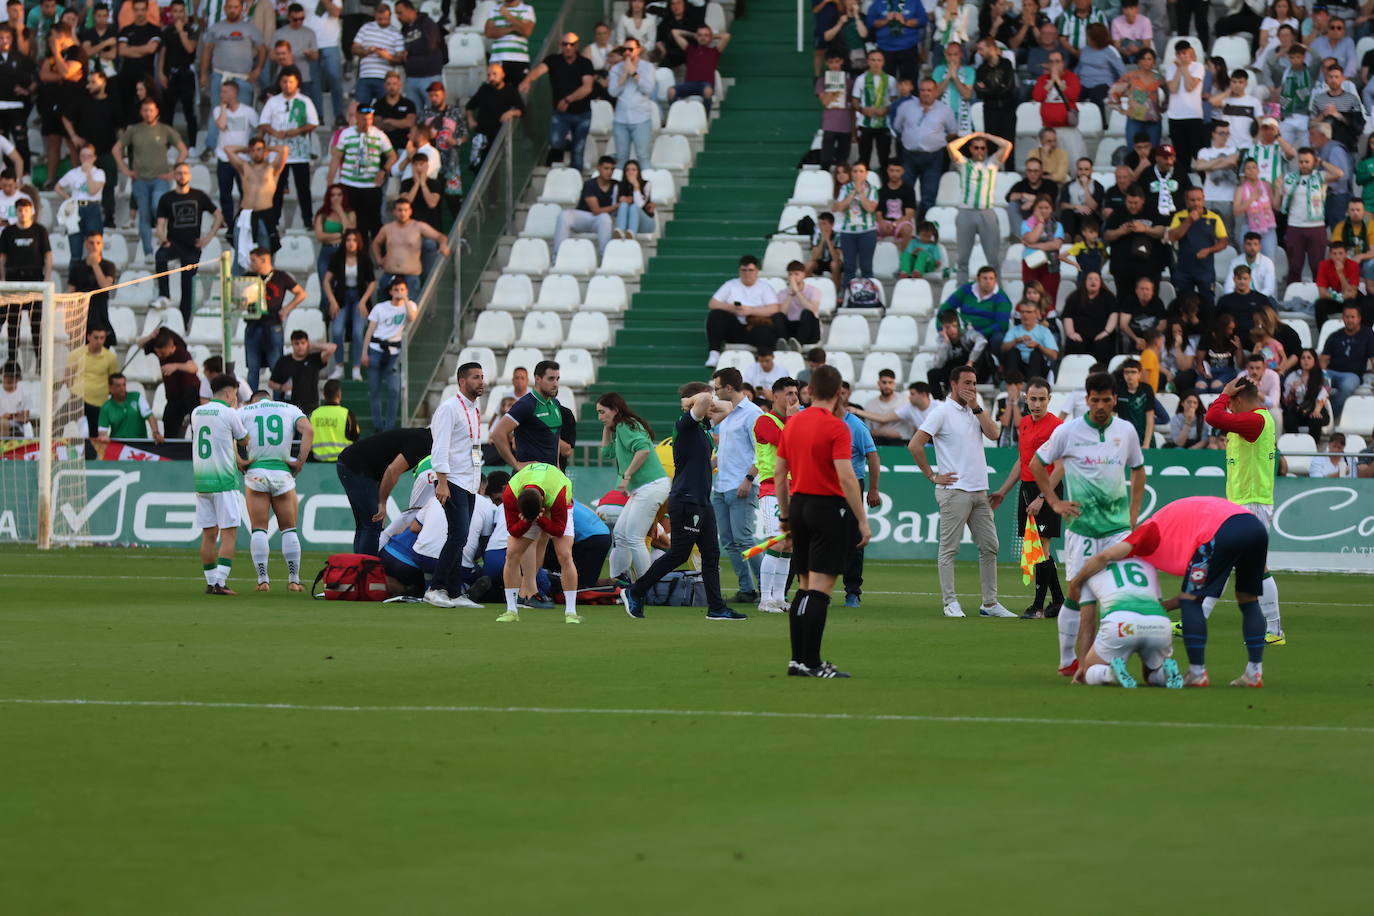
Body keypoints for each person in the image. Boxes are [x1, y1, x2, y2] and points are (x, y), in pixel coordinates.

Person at [1071, 495, 1273, 687]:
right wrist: (1161, 607)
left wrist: (1077, 581)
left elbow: (1105, 556)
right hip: (1253, 527)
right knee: (1248, 599)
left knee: (1191, 602)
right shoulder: (1167, 522)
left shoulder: (1145, 533)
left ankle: (1197, 673)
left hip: (1220, 531)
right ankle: (1254, 673)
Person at [1029, 371, 1146, 676]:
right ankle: (1069, 660)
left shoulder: (1127, 431)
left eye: (1106, 400)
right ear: (1087, 400)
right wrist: (1054, 502)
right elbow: (1036, 465)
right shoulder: (1068, 432)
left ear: (1114, 400)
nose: (1100, 406)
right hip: (1081, 531)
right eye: (1095, 400)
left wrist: (1133, 515)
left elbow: (1138, 469)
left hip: (1117, 530)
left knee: (1117, 599)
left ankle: (1098, 665)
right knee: (1078, 594)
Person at [763, 365, 869, 677]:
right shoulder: (837, 427)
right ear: (839, 393)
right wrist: (862, 521)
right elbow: (847, 477)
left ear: (809, 391)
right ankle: (811, 662)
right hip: (826, 509)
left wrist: (785, 514)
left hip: (799, 505)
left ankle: (798, 660)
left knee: (804, 586)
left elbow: (779, 474)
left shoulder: (793, 424)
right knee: (820, 590)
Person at [621, 381, 740, 620]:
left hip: (701, 500)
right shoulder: (686, 424)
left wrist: (703, 400)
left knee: (711, 554)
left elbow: (728, 406)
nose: (713, 402)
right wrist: (693, 402)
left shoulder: (703, 426)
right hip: (686, 499)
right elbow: (707, 402)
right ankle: (635, 590)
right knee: (679, 553)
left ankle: (716, 608)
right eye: (709, 397)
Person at [910, 364, 1013, 618]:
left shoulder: (975, 411)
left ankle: (990, 603)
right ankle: (950, 602)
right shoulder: (942, 412)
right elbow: (915, 444)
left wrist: (977, 408)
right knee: (949, 549)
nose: (972, 388)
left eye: (975, 383)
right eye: (967, 383)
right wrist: (932, 476)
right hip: (954, 490)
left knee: (990, 546)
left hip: (979, 490)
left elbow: (994, 433)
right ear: (954, 384)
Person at [990, 376, 1064, 617]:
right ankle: (1059, 601)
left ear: (1049, 400)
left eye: (1042, 399)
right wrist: (1004, 490)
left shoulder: (1057, 427)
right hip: (1027, 489)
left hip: (1047, 489)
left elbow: (1060, 466)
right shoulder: (1023, 424)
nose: (1037, 404)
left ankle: (1038, 607)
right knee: (1038, 549)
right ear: (1026, 398)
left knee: (1040, 547)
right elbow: (1021, 462)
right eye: (1033, 399)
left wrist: (1043, 496)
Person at [1064, 552, 1182, 687]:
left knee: (1091, 669)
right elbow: (1158, 604)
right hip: (1159, 623)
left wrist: (1083, 666)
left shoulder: (1090, 568)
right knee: (1150, 673)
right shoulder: (1146, 563)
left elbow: (1087, 621)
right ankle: (1164, 673)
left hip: (1121, 624)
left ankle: (1109, 673)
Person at [424, 361, 486, 609]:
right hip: (452, 480)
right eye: (475, 377)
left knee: (460, 536)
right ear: (462, 382)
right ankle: (435, 587)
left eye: (482, 376)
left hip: (469, 481)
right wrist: (442, 482)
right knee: (458, 535)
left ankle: (453, 590)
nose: (481, 381)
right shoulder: (449, 408)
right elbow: (439, 447)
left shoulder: (474, 408)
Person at [238, 390, 312, 592]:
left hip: (256, 473)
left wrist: (239, 460)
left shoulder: (244, 411)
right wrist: (300, 462)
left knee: (259, 528)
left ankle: (263, 580)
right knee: (289, 528)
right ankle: (294, 580)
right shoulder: (290, 409)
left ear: (254, 400)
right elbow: (309, 430)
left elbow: (227, 433)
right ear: (270, 398)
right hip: (282, 473)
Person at [493, 462, 581, 623]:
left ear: (542, 501)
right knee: (511, 554)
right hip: (531, 508)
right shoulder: (511, 494)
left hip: (556, 505)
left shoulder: (558, 495)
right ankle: (511, 610)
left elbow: (558, 530)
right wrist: (528, 521)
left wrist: (540, 519)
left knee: (565, 555)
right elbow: (513, 530)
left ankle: (571, 612)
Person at [596, 392, 669, 584]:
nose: (600, 417)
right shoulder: (621, 427)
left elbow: (643, 449)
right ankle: (619, 582)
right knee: (620, 535)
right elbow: (606, 453)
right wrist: (606, 428)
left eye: (603, 412)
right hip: (644, 489)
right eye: (598, 413)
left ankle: (645, 588)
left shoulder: (624, 425)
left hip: (651, 487)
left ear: (615, 410)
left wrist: (627, 475)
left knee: (634, 538)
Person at [708, 366, 765, 603]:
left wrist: (749, 479)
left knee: (744, 539)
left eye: (717, 388)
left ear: (729, 388)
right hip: (721, 485)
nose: (714, 392)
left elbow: (762, 452)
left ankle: (769, 586)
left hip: (741, 484)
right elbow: (728, 449)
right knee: (729, 541)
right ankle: (747, 589)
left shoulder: (753, 414)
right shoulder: (729, 413)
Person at [191, 375, 248, 595]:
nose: (235, 398)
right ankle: (221, 583)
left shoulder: (197, 412)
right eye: (234, 393)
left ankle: (210, 581)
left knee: (208, 534)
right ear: (228, 393)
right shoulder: (229, 413)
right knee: (229, 533)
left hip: (202, 481)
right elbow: (244, 440)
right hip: (224, 481)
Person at [336, 426, 433, 555]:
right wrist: (382, 502)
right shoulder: (424, 442)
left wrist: (381, 501)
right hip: (356, 467)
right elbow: (392, 471)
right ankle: (366, 571)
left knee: (366, 525)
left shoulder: (422, 436)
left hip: (354, 464)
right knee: (372, 525)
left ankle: (360, 569)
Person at [751, 376, 801, 613]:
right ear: (776, 395)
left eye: (795, 393)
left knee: (789, 544)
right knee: (778, 541)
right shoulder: (764, 421)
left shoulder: (794, 420)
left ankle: (779, 598)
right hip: (773, 487)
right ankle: (765, 599)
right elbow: (787, 445)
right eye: (789, 393)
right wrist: (794, 418)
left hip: (794, 488)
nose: (794, 398)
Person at [153, 162, 221, 323]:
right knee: (160, 257)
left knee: (187, 286)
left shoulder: (199, 196)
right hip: (174, 242)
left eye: (184, 173)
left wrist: (208, 238)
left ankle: (183, 322)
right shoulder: (166, 198)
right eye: (178, 173)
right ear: (174, 175)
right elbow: (160, 224)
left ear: (189, 175)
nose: (182, 176)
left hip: (192, 245)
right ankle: (164, 295)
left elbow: (218, 216)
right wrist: (163, 239)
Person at [520, 32, 595, 172]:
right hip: (561, 114)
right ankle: (572, 145)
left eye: (571, 44)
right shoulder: (553, 60)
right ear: (560, 45)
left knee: (578, 152)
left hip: (582, 113)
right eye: (565, 44)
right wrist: (527, 80)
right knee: (556, 142)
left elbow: (587, 87)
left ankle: (576, 182)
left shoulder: (585, 63)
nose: (568, 47)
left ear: (577, 45)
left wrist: (568, 99)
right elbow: (538, 71)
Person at [836, 381, 880, 608]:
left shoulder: (856, 426)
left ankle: (852, 591)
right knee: (817, 538)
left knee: (853, 540)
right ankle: (808, 588)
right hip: (824, 486)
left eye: (842, 393)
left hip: (851, 486)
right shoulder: (818, 420)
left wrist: (873, 489)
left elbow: (873, 456)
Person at [257, 65, 318, 231]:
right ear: (280, 83)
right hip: (277, 153)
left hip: (299, 152)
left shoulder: (305, 101)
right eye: (284, 81)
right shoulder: (273, 101)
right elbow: (263, 123)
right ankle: (274, 221)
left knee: (303, 188)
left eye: (291, 82)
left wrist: (297, 130)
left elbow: (313, 123)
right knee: (276, 189)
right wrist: (274, 132)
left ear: (297, 82)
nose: (287, 85)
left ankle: (307, 220)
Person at [947, 130, 1011, 285]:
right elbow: (951, 146)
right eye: (976, 147)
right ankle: (961, 296)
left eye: (983, 148)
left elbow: (1007, 145)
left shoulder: (993, 163)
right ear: (970, 149)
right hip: (966, 213)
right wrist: (971, 137)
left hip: (986, 213)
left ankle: (997, 294)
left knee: (993, 260)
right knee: (962, 260)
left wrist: (987, 136)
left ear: (986, 149)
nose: (979, 151)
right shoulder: (963, 164)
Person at [199, 0, 265, 145]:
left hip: (243, 78)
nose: (232, 10)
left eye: (236, 7)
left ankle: (241, 147)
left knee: (242, 114)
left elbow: (262, 49)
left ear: (241, 9)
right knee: (217, 111)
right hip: (219, 76)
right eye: (229, 7)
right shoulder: (216, 28)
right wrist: (204, 74)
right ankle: (211, 147)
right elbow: (207, 51)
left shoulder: (250, 28)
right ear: (225, 8)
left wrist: (258, 69)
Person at [328, 105, 397, 242]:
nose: (368, 123)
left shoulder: (379, 135)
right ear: (357, 118)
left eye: (370, 119)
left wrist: (383, 170)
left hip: (371, 186)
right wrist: (330, 183)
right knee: (354, 224)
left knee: (374, 223)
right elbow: (336, 158)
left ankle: (378, 255)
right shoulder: (346, 134)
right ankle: (359, 255)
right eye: (364, 119)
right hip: (349, 185)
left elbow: (392, 156)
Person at [703, 255, 785, 367]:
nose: (747, 273)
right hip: (735, 328)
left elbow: (774, 308)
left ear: (757, 271)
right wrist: (733, 308)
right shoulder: (731, 285)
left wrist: (750, 310)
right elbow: (712, 303)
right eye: (744, 270)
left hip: (756, 327)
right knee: (716, 314)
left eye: (750, 270)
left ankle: (764, 360)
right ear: (739, 271)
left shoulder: (765, 287)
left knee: (765, 329)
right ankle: (714, 353)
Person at [360, 277, 417, 432]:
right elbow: (370, 331)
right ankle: (378, 425)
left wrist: (404, 299)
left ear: (407, 291)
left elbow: (412, 318)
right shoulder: (380, 307)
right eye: (396, 289)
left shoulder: (410, 305)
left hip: (394, 353)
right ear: (391, 291)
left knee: (393, 390)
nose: (399, 292)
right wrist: (364, 353)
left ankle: (389, 427)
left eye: (402, 289)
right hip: (376, 349)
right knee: (374, 390)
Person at [1282, 145, 1345, 283]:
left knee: (1317, 266)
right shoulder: (1289, 178)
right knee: (1294, 266)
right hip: (1294, 226)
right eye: (1301, 161)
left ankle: (1320, 298)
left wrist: (1321, 162)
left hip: (1316, 226)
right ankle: (1292, 299)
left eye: (1307, 161)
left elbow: (1339, 173)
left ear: (1313, 162)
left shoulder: (1320, 176)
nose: (1303, 165)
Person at [371, 197, 450, 300]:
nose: (403, 213)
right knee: (385, 309)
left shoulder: (418, 227)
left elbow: (440, 237)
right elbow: (376, 243)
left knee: (410, 310)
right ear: (394, 212)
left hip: (410, 277)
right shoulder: (387, 228)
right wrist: (378, 259)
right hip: (389, 274)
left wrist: (443, 245)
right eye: (399, 210)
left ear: (410, 211)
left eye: (405, 210)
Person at [490, 359, 563, 470]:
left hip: (550, 475)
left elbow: (555, 437)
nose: (555, 384)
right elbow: (497, 434)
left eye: (557, 379)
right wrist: (515, 465)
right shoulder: (525, 404)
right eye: (551, 379)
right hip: (530, 476)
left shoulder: (555, 403)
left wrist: (557, 465)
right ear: (537, 379)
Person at [553, 154, 617, 256]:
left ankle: (605, 258)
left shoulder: (616, 184)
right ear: (598, 168)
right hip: (584, 217)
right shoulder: (590, 184)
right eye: (606, 168)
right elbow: (596, 210)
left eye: (612, 169)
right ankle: (557, 257)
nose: (609, 172)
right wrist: (617, 205)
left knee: (604, 218)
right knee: (564, 215)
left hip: (600, 221)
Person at [141, 327, 199, 436]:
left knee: (195, 422)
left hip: (190, 393)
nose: (160, 356)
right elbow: (140, 344)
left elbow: (194, 367)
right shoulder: (159, 351)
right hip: (174, 396)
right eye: (157, 353)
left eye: (162, 353)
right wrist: (150, 337)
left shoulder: (181, 352)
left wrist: (176, 366)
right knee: (168, 420)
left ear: (172, 347)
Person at [606, 37, 654, 168]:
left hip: (641, 118)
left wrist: (633, 73)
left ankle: (646, 187)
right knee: (621, 158)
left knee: (643, 156)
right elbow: (613, 92)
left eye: (630, 49)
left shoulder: (647, 67)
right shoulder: (616, 69)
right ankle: (620, 188)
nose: (627, 52)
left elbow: (648, 89)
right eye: (624, 49)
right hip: (621, 119)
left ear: (638, 50)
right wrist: (624, 74)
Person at [1165, 42, 1207, 176]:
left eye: (1185, 53)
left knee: (1198, 152)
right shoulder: (1171, 68)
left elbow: (1190, 86)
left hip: (1193, 115)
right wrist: (1179, 69)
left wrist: (1184, 67)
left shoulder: (1198, 67)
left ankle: (1204, 181)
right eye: (1179, 53)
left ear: (1190, 52)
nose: (1182, 56)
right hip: (1175, 116)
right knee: (1181, 155)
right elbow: (1173, 88)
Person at [351, 3, 404, 109]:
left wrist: (387, 56)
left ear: (389, 16)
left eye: (385, 18)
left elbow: (400, 59)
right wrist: (367, 51)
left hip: (385, 79)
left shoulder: (396, 33)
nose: (382, 20)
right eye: (380, 19)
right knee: (362, 109)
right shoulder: (366, 28)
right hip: (365, 76)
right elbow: (354, 49)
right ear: (375, 15)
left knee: (384, 111)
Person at [1061, 270, 1118, 364]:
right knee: (1075, 344)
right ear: (1085, 282)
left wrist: (1106, 332)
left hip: (1101, 334)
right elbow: (1068, 316)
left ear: (1100, 283)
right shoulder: (1075, 297)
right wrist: (1071, 333)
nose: (1093, 281)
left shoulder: (1108, 297)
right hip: (1079, 335)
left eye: (1096, 279)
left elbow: (1114, 315)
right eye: (1090, 279)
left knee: (1103, 344)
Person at [816, 49, 856, 170]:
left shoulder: (849, 82)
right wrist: (833, 86)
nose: (834, 65)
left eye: (837, 62)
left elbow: (853, 105)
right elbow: (825, 102)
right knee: (825, 160)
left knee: (842, 161)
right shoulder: (821, 81)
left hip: (846, 124)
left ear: (842, 62)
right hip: (829, 124)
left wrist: (854, 129)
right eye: (831, 62)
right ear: (827, 63)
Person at [96, 372, 161, 442]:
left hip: (140, 444)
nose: (122, 388)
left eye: (124, 385)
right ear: (110, 388)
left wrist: (155, 432)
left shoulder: (137, 397)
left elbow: (150, 416)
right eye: (118, 386)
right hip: (119, 446)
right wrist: (103, 437)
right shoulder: (106, 407)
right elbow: (102, 431)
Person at [1001, 300, 1059, 379]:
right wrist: (1017, 341)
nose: (1025, 315)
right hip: (1018, 367)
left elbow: (1054, 355)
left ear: (1036, 314)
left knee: (1036, 354)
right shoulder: (1014, 330)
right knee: (1013, 352)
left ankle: (1032, 384)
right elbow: (1003, 349)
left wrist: (1038, 346)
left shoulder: (1044, 331)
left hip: (1038, 368)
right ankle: (1013, 383)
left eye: (1028, 312)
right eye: (1022, 312)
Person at [76, 327, 118, 434]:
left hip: (99, 403)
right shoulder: (77, 354)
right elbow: (68, 377)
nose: (99, 341)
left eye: (102, 338)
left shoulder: (110, 358)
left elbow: (114, 380)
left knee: (94, 436)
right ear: (88, 337)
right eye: (96, 337)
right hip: (77, 401)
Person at [1282, 347, 1331, 436]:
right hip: (1299, 410)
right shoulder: (1293, 375)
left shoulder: (1322, 374)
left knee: (1315, 419)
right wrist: (1292, 392)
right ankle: (1293, 445)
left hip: (1316, 408)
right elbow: (1286, 401)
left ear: (1314, 360)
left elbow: (1325, 392)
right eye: (1303, 358)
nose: (1305, 360)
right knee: (1289, 419)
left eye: (1309, 358)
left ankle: (1313, 447)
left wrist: (1317, 410)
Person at [485, 0, 536, 85]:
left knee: (517, 93)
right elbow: (489, 32)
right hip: (498, 59)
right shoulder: (494, 9)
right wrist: (512, 28)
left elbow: (527, 31)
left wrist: (509, 16)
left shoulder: (527, 9)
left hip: (520, 59)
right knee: (497, 93)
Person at [308, 378, 358, 463]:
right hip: (342, 462)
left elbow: (307, 439)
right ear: (339, 394)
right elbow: (355, 437)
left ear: (324, 394)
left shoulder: (313, 414)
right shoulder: (347, 414)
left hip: (317, 462)